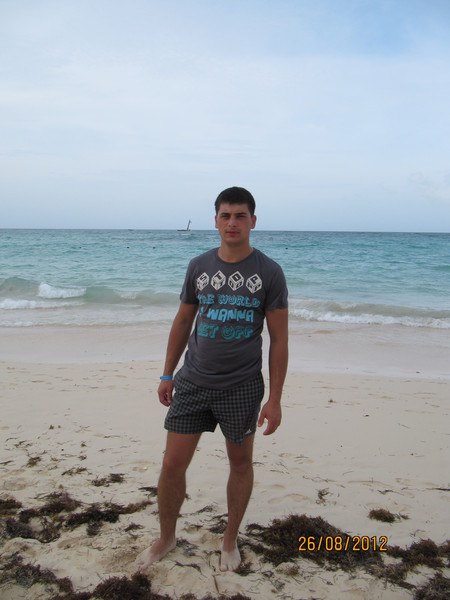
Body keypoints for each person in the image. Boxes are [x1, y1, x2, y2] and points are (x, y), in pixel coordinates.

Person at [135, 186, 288, 573]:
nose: (232, 222)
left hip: (242, 387)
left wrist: (275, 399)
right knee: (172, 464)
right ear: (215, 221)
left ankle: (230, 540)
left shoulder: (269, 272)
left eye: (240, 216)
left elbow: (279, 339)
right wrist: (167, 373)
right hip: (193, 382)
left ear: (253, 221)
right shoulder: (199, 266)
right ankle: (166, 537)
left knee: (240, 464)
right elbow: (183, 320)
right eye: (225, 215)